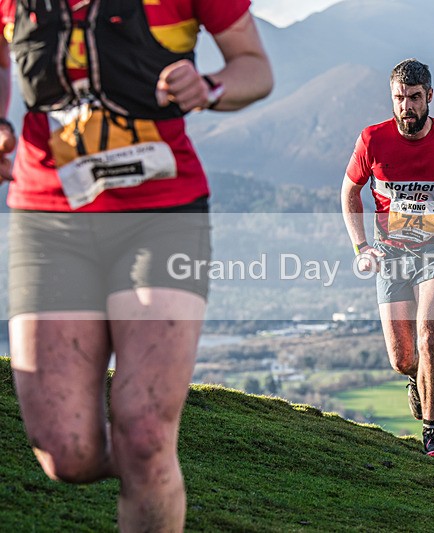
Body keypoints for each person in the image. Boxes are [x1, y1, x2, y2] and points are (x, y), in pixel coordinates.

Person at [1, 1, 273, 531]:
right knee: (66, 453)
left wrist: (211, 88)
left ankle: (147, 465)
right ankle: (138, 464)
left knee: (145, 435)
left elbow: (255, 67)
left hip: (162, 214)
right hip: (49, 218)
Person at [341, 58, 434, 460]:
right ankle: (417, 378)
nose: (406, 106)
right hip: (390, 253)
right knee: (402, 358)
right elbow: (349, 193)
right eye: (399, 98)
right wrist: (361, 246)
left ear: (429, 97)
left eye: (414, 98)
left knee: (430, 338)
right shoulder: (372, 139)